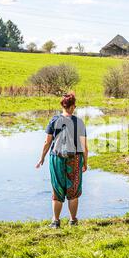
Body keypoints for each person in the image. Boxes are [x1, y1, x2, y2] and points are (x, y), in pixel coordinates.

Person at [36, 92, 88, 228]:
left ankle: (55, 221)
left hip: (56, 158)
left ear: (63, 106)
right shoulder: (79, 122)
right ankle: (73, 220)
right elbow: (84, 146)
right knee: (73, 191)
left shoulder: (54, 120)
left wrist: (41, 158)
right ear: (72, 107)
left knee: (57, 190)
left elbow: (47, 142)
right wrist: (85, 162)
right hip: (75, 158)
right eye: (74, 106)